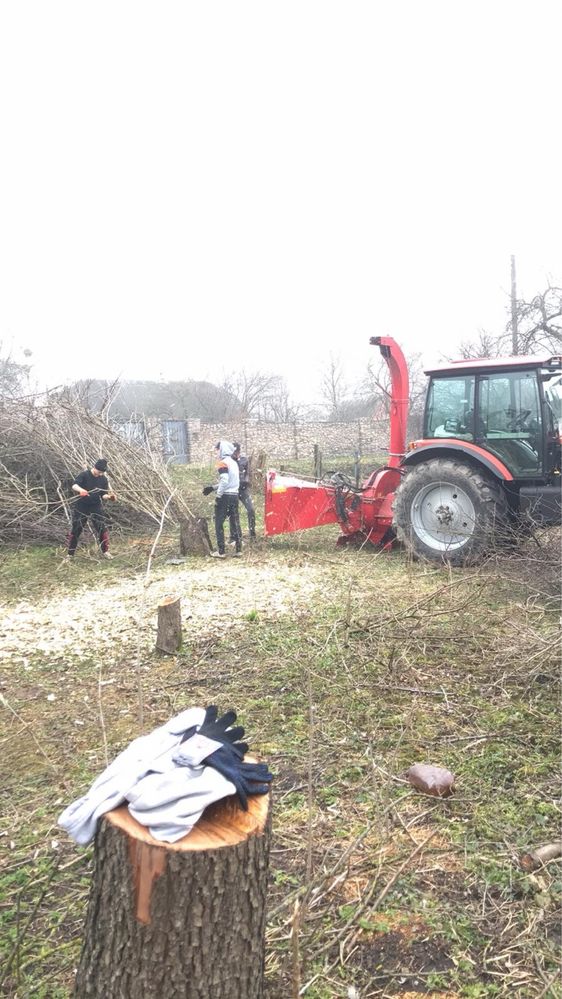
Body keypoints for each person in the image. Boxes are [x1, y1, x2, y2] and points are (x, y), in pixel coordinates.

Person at [67, 458, 116, 560]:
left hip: (95, 506)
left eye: (102, 472)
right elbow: (74, 485)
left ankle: (105, 551)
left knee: (101, 528)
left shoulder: (103, 479)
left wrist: (110, 497)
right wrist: (81, 490)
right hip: (82, 505)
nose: (100, 474)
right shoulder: (84, 475)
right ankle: (70, 554)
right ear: (95, 468)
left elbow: (103, 494)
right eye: (99, 472)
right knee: (76, 529)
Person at [202, 441, 242, 559]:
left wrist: (218, 495)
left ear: (222, 450)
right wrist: (213, 488)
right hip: (234, 495)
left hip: (225, 497)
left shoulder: (222, 463)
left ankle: (221, 551)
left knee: (219, 523)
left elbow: (224, 481)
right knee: (235, 522)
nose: (216, 452)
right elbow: (231, 482)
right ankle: (239, 550)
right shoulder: (234, 463)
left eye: (217, 449)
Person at [229, 442, 256, 542]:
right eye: (233, 452)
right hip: (233, 490)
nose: (235, 454)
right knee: (233, 512)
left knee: (251, 510)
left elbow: (248, 473)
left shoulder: (244, 460)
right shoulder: (229, 461)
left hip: (243, 489)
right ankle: (235, 536)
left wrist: (246, 480)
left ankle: (252, 534)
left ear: (239, 451)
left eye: (237, 452)